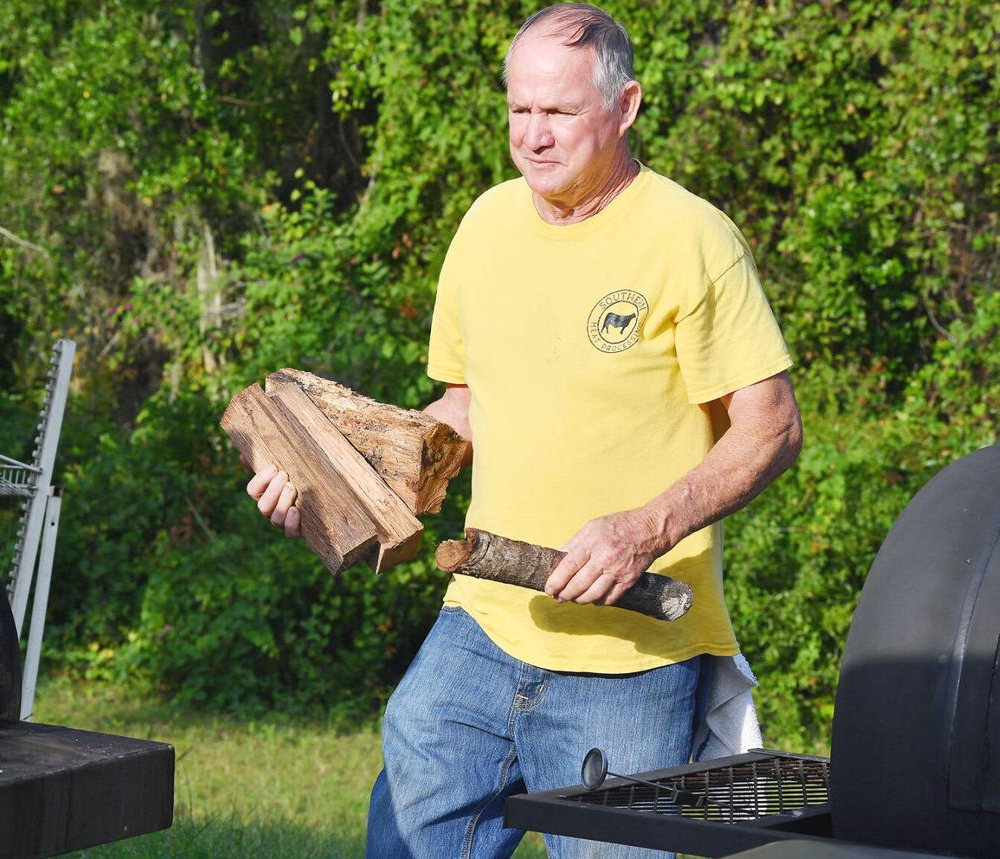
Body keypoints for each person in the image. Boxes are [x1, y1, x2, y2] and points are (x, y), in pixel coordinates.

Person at [246, 4, 802, 857]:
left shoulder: (690, 237)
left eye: (559, 112)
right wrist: (327, 483)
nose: (534, 136)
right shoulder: (485, 226)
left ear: (625, 107)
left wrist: (641, 529)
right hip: (482, 617)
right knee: (404, 839)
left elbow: (770, 429)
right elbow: (462, 411)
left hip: (631, 652)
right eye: (519, 110)